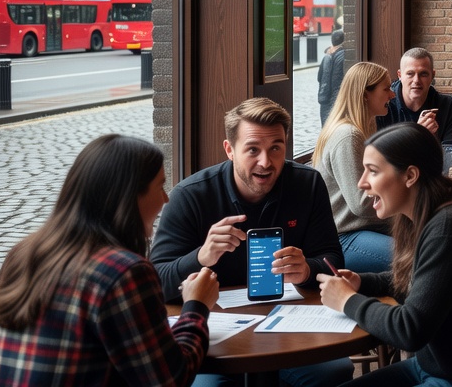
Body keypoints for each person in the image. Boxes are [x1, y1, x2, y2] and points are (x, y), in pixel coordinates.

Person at [0, 135, 218, 386]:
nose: (166, 199)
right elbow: (171, 380)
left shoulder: (22, 254)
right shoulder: (124, 272)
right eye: (160, 186)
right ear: (130, 197)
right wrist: (196, 306)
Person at [150, 98, 350, 387]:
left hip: (289, 325)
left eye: (276, 148)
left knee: (332, 372)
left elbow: (332, 260)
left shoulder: (307, 184)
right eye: (253, 149)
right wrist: (201, 257)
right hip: (214, 335)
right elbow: (156, 283)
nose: (266, 162)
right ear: (229, 150)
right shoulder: (191, 195)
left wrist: (307, 269)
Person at [318, 124, 452, 387]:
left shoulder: (449, 226)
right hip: (439, 367)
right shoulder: (423, 217)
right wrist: (362, 283)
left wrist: (347, 300)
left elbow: (410, 330)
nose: (361, 182)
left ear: (410, 176)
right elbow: (421, 282)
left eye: (372, 171)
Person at [313, 61, 396, 274]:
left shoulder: (363, 128)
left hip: (366, 229)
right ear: (365, 94)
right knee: (418, 259)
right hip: (345, 238)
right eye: (386, 89)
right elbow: (362, 204)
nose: (393, 95)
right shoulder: (348, 136)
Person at [378, 47, 452, 154]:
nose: (416, 80)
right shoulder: (384, 105)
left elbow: (451, 157)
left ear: (432, 75)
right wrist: (418, 135)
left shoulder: (448, 105)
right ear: (400, 75)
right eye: (410, 74)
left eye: (423, 74)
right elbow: (381, 158)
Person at [317, 29, 347, 125]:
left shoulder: (326, 56)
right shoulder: (344, 55)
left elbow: (319, 77)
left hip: (325, 99)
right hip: (336, 100)